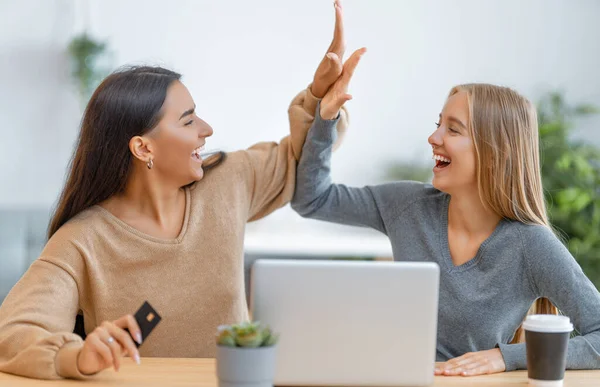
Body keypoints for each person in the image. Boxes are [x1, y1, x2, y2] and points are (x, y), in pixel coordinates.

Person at [0, 1, 364, 379]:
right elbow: (14, 334)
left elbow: (304, 156)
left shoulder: (227, 180)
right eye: (188, 120)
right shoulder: (83, 241)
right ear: (144, 148)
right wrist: (76, 357)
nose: (206, 129)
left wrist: (320, 94)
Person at [291, 79, 600, 375]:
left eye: (453, 129)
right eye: (438, 124)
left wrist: (505, 357)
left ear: (494, 152)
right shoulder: (406, 205)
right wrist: (326, 117)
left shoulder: (531, 246)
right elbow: (314, 199)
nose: (434, 138)